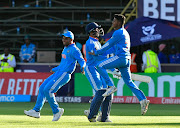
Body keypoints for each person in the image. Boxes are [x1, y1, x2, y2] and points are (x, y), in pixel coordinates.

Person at [89, 14, 150, 115]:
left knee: (99, 66)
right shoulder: (125, 33)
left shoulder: (117, 33)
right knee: (129, 82)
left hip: (120, 58)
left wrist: (97, 52)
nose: (112, 23)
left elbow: (108, 45)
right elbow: (113, 48)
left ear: (119, 22)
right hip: (126, 60)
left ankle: (111, 86)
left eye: (114, 21)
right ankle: (143, 99)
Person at [24, 31, 86, 121]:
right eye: (63, 38)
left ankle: (57, 111)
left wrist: (83, 67)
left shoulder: (75, 49)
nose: (63, 40)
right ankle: (36, 111)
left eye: (66, 38)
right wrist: (55, 69)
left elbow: (81, 60)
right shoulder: (65, 48)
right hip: (59, 73)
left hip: (64, 74)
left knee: (47, 90)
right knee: (42, 88)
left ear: (71, 39)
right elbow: (63, 64)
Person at [84, 22, 115, 122]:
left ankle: (100, 114)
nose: (98, 30)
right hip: (92, 69)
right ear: (91, 31)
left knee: (106, 91)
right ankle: (95, 114)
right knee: (101, 92)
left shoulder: (97, 42)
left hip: (98, 69)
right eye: (96, 29)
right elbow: (97, 58)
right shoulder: (90, 43)